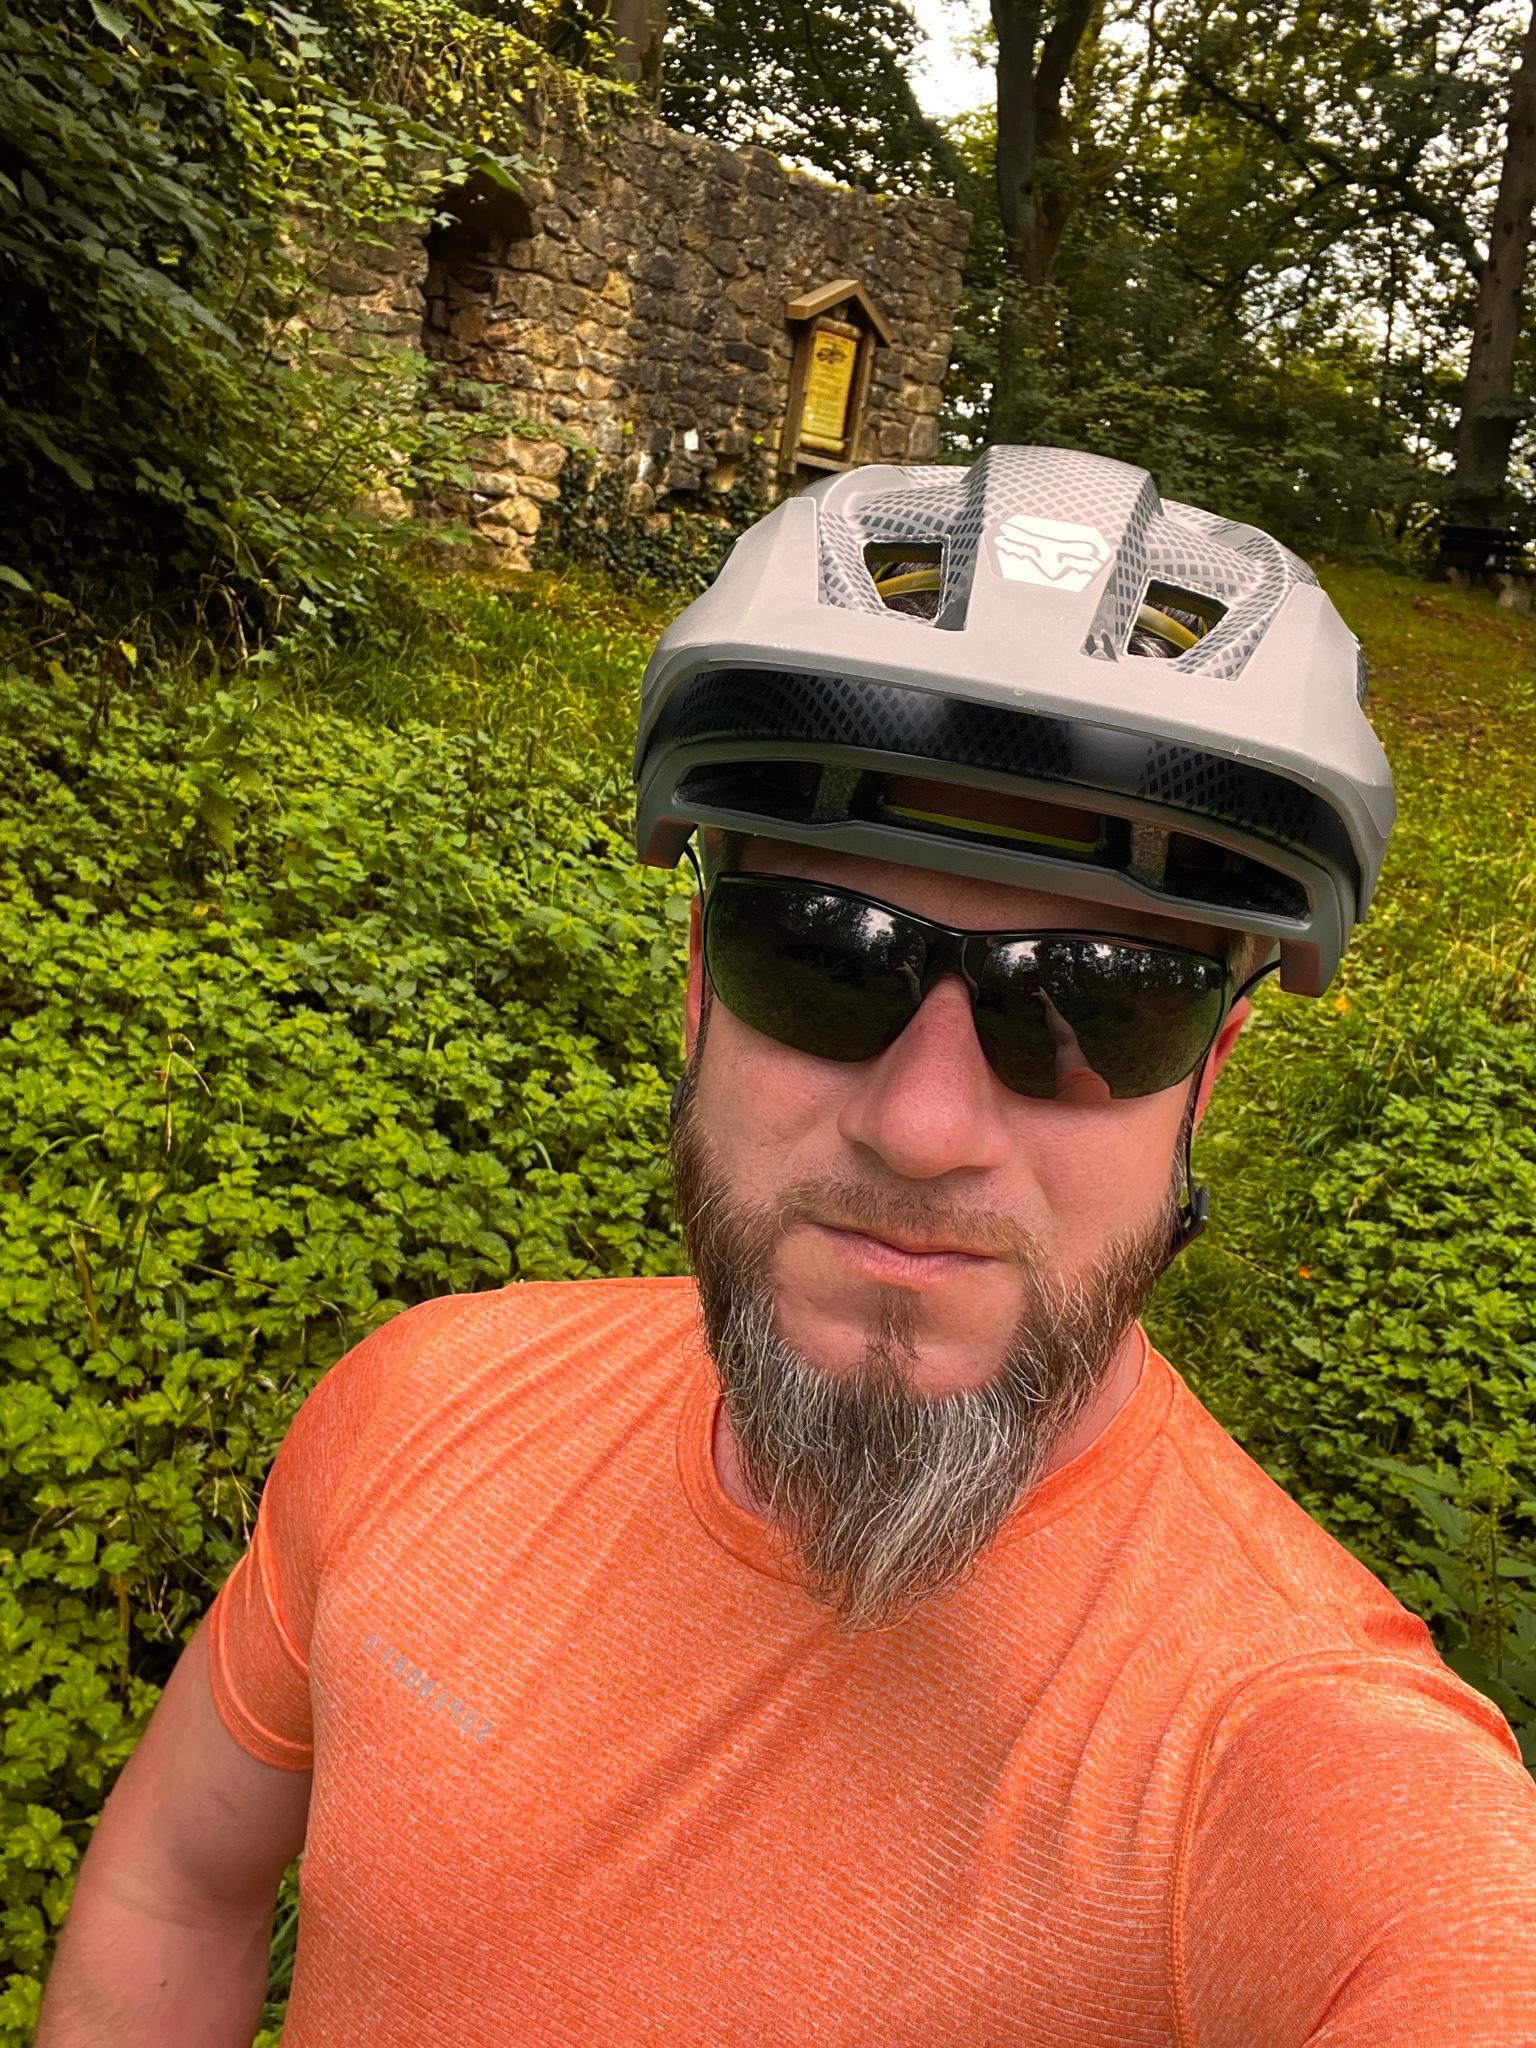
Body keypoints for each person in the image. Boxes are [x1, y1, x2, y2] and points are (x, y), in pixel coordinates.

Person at [37, 446, 1536, 2046]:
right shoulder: (423, 1406)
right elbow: (173, 1889)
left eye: (1095, 1002)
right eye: (824, 957)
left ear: (1205, 1084)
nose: (924, 1127)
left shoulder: (1300, 1753)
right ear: (703, 990)